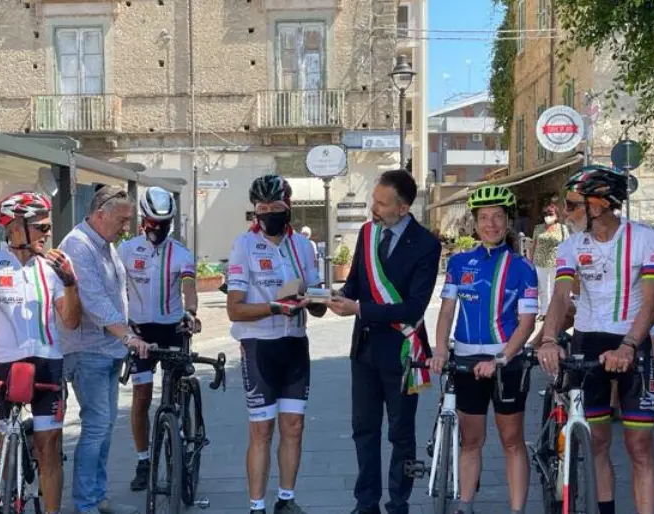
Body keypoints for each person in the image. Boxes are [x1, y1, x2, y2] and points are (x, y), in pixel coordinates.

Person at [536, 164, 654, 514]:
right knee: (597, 441)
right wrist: (548, 338)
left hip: (630, 341)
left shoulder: (647, 238)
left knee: (639, 444)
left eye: (573, 205)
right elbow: (561, 297)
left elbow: (652, 302)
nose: (565, 212)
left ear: (600, 205)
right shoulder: (570, 247)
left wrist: (628, 345)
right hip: (588, 342)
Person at [0, 191, 82, 514]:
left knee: (49, 449)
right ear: (16, 226)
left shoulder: (52, 267)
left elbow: (70, 320)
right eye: (40, 227)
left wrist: (70, 283)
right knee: (4, 448)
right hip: (5, 367)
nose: (47, 233)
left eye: (46, 227)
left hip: (47, 364)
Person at [327, 169, 442, 514]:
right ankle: (366, 503)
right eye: (373, 200)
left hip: (403, 351)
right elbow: (354, 288)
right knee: (363, 430)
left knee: (401, 434)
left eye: (381, 203)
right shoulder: (367, 233)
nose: (372, 208)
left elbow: (413, 307)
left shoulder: (426, 245)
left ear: (403, 209)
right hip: (364, 351)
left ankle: (398, 503)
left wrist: (359, 307)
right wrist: (329, 299)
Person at [429, 185, 538, 514]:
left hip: (507, 361)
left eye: (498, 218)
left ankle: (517, 509)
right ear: (475, 223)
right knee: (471, 439)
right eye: (484, 218)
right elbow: (447, 311)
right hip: (465, 359)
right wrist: (439, 351)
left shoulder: (522, 267)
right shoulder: (460, 263)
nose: (491, 224)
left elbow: (527, 322)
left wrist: (502, 358)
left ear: (507, 223)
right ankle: (465, 504)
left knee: (511, 440)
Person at [225, 174, 326, 514]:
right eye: (262, 209)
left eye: (275, 208)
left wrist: (315, 300)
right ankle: (257, 506)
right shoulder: (244, 244)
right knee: (262, 429)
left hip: (295, 343)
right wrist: (274, 307)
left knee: (293, 426)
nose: (268, 214)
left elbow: (320, 306)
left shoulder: (304, 247)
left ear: (289, 208)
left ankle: (286, 499)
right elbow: (234, 309)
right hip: (258, 346)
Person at [59, 185, 149, 514]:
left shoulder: (105, 245)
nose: (127, 228)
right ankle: (86, 503)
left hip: (108, 350)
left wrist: (130, 330)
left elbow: (118, 295)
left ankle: (98, 498)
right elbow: (93, 302)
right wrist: (127, 336)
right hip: (87, 350)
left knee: (105, 426)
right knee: (96, 425)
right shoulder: (78, 245)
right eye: (122, 220)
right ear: (100, 214)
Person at [118, 187, 200, 493]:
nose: (157, 229)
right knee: (141, 398)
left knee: (175, 388)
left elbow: (189, 288)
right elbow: (117, 289)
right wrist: (124, 323)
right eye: (152, 222)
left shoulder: (181, 253)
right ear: (143, 219)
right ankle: (143, 460)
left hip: (172, 328)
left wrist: (190, 313)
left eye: (164, 223)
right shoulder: (127, 251)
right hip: (141, 331)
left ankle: (180, 437)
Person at [528, 198, 569, 321]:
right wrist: (529, 261)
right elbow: (533, 245)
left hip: (557, 262)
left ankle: (554, 312)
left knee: (554, 288)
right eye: (545, 214)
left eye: (550, 214)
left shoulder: (562, 228)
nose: (547, 217)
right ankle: (544, 312)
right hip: (540, 261)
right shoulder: (538, 228)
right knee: (542, 288)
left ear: (556, 215)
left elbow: (567, 246)